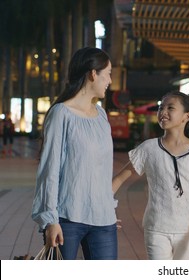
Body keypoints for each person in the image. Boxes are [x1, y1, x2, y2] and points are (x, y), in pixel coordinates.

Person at [31, 47, 117, 260]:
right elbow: (49, 170)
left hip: (103, 221)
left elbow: (102, 170)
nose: (110, 81)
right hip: (67, 219)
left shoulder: (102, 116)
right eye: (108, 74)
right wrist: (51, 220)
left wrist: (106, 207)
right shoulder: (61, 113)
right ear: (93, 74)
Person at [112, 91, 189, 260]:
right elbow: (118, 179)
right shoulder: (149, 149)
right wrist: (103, 210)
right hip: (156, 228)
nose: (163, 112)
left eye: (170, 108)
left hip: (187, 231)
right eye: (161, 107)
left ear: (186, 116)